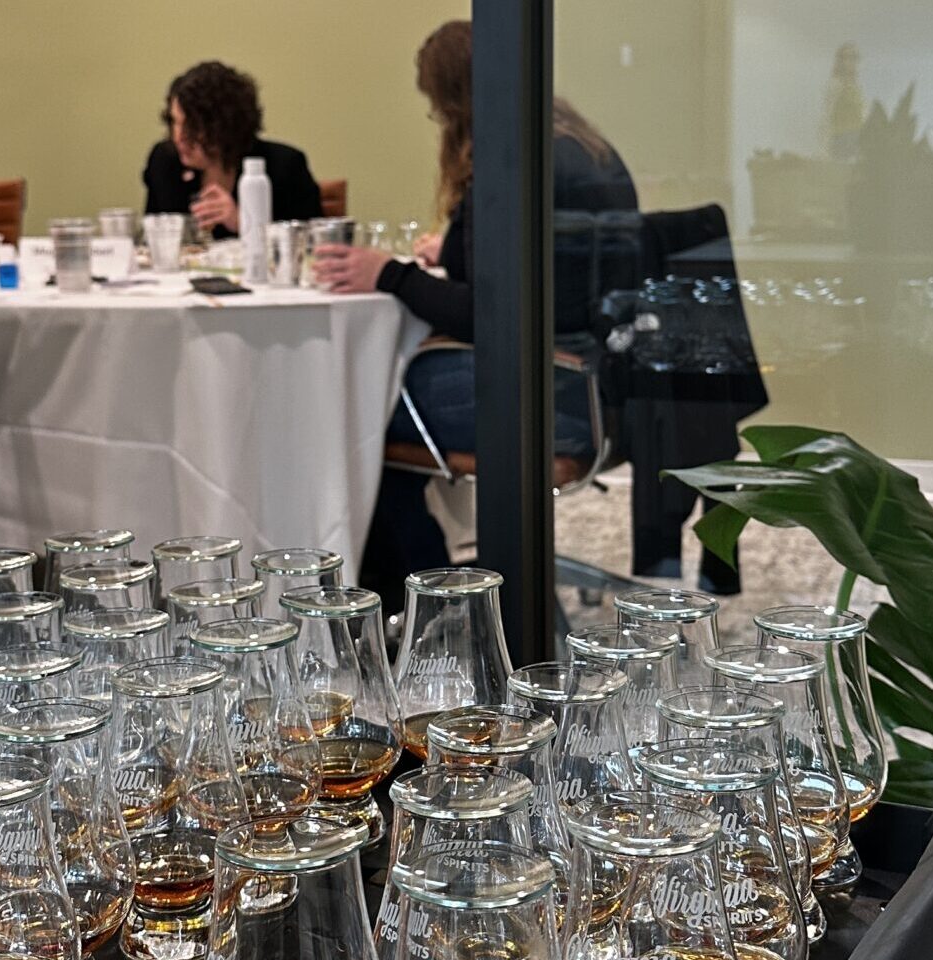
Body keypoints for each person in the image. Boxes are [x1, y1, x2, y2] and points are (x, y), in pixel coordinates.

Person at [312, 19, 638, 595]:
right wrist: (458, 248)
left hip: (551, 393)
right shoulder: (575, 148)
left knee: (355, 408)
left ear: (456, 100)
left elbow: (490, 315)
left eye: (438, 110)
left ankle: (429, 601)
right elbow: (543, 279)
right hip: (602, 385)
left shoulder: (509, 162)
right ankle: (419, 584)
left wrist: (387, 272)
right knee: (374, 397)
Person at [142, 61, 323, 238]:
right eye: (175, 122)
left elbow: (311, 245)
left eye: (192, 127)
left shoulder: (284, 166)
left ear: (225, 127)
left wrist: (244, 223)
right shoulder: (164, 162)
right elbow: (152, 240)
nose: (178, 137)